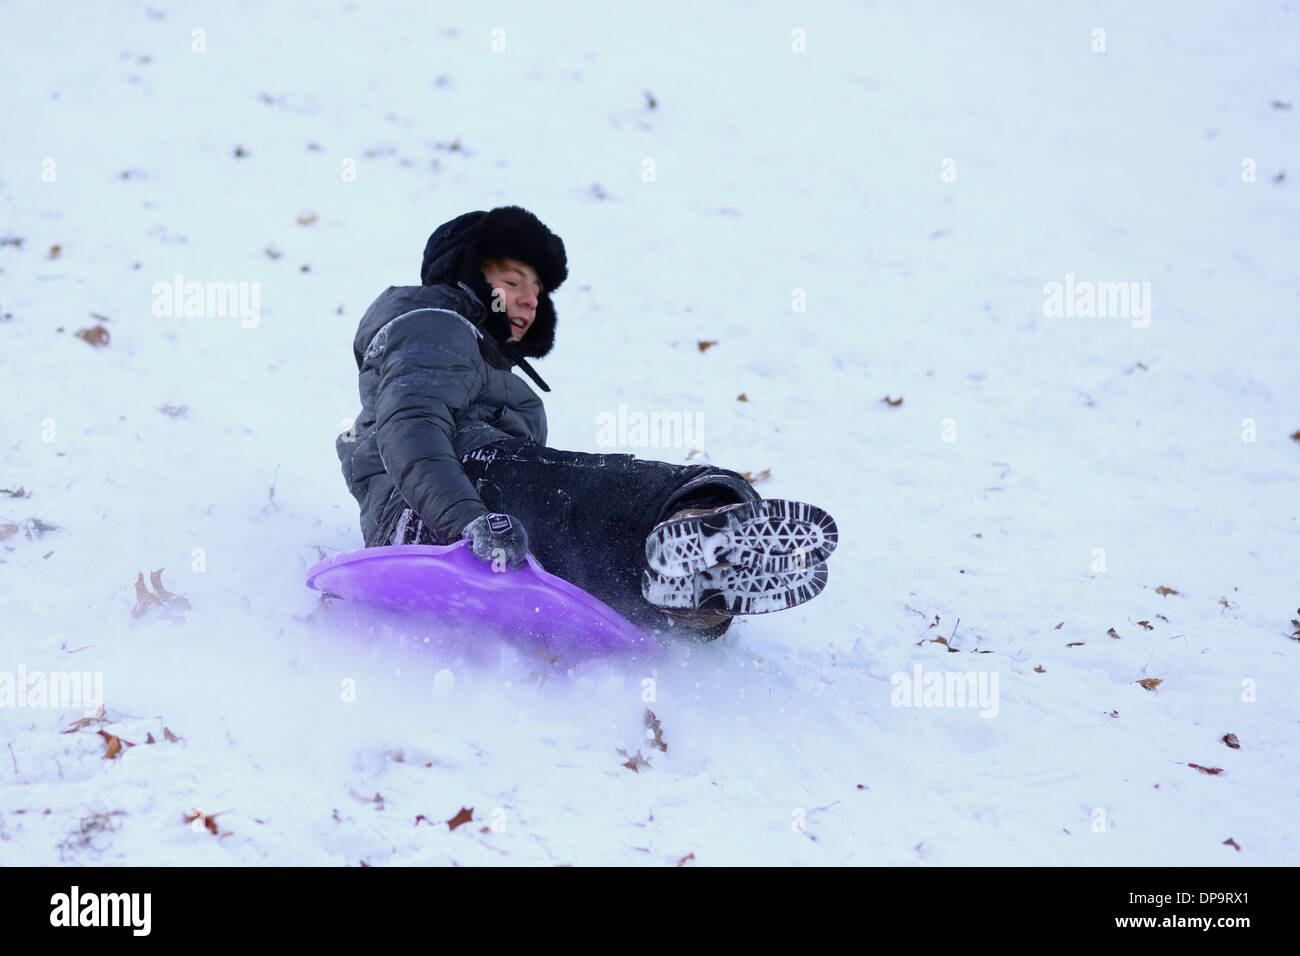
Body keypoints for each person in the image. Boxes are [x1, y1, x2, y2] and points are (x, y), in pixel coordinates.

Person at [336, 206, 837, 640]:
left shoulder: (496, 378)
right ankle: (690, 516)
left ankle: (682, 592)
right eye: (512, 282)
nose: (531, 299)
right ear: (467, 276)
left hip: (459, 520)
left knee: (563, 520)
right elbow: (413, 430)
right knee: (567, 488)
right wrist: (469, 522)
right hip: (435, 514)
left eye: (536, 289)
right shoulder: (432, 325)